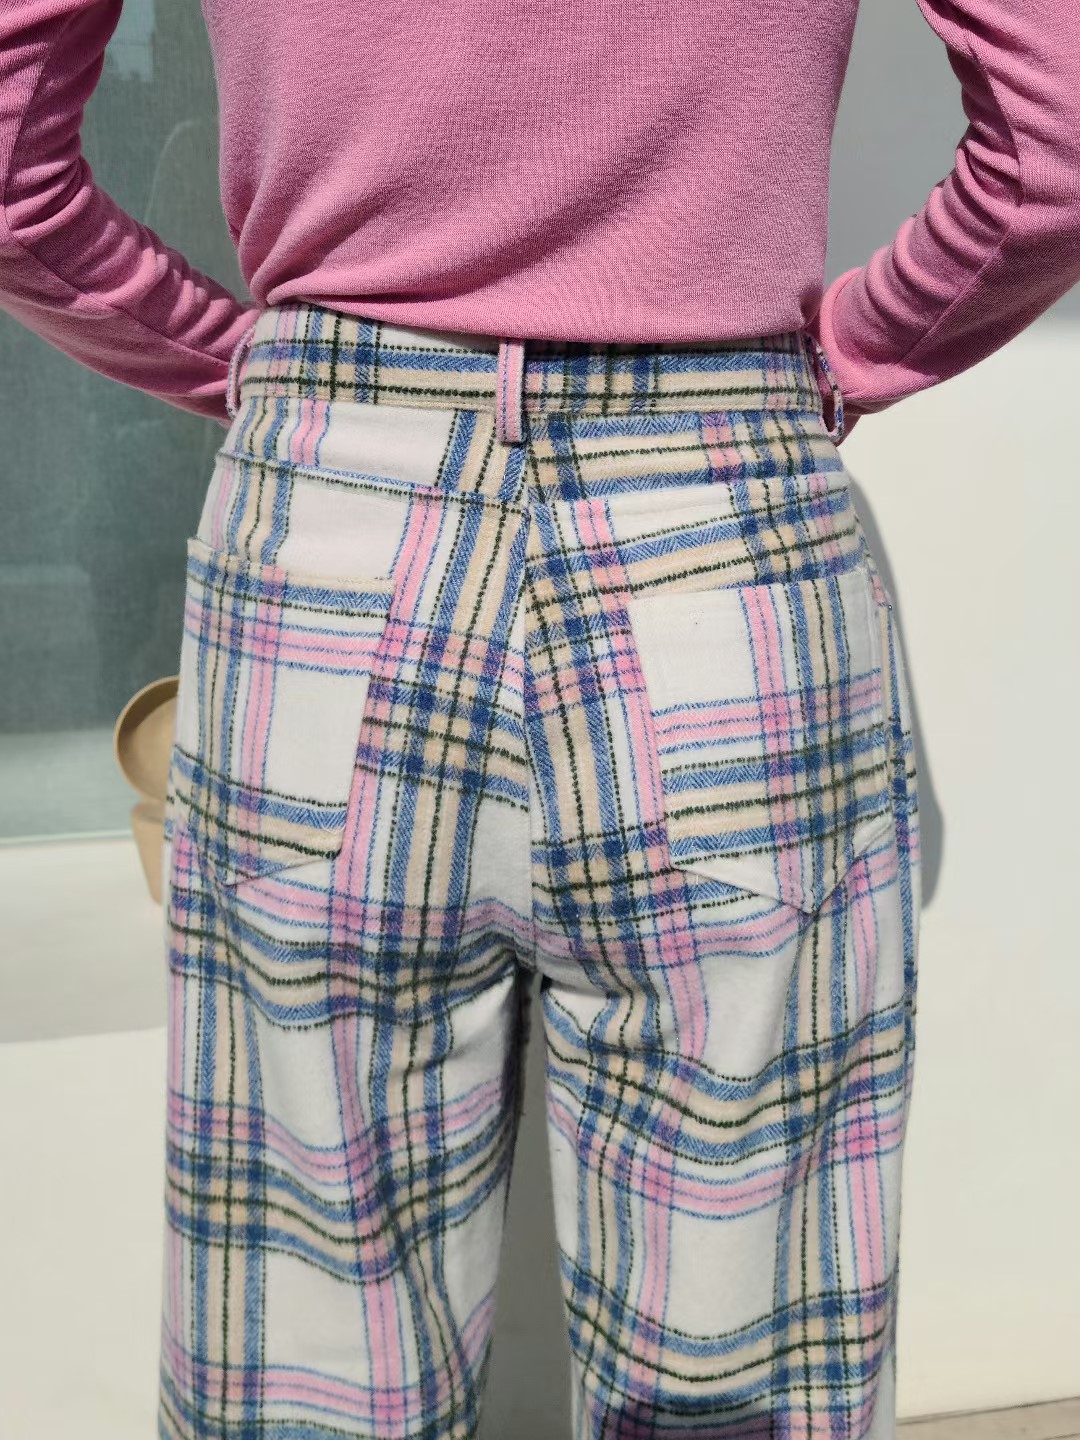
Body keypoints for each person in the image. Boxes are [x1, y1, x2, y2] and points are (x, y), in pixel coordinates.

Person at [1, 3, 1077, 1438]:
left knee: (311, 1347)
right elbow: (1060, 137)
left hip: (338, 529)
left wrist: (252, 372)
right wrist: (847, 354)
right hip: (718, 517)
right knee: (741, 1354)